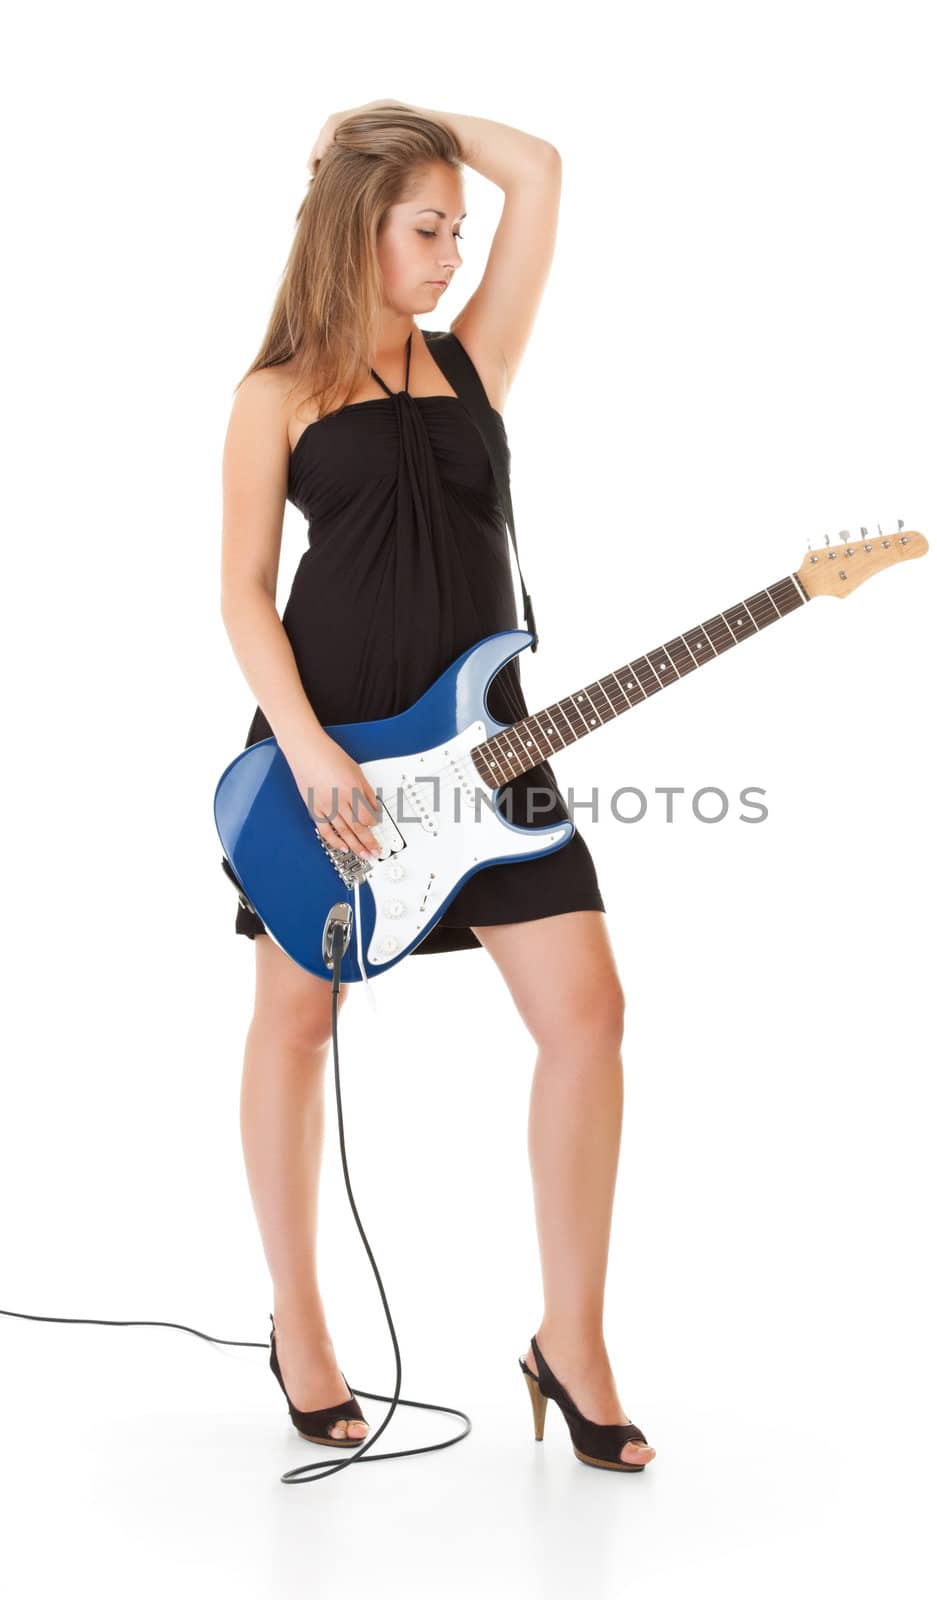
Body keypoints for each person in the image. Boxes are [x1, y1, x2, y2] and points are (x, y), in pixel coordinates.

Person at [219, 100, 655, 1470]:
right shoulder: (276, 392)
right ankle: (300, 1320)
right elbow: (238, 593)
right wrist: (306, 745)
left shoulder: (474, 366)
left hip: (496, 755)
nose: (454, 251)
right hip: (327, 749)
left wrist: (395, 116)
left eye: (458, 229)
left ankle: (568, 1340)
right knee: (298, 1022)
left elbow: (543, 167)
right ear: (358, 224)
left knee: (588, 1016)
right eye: (425, 226)